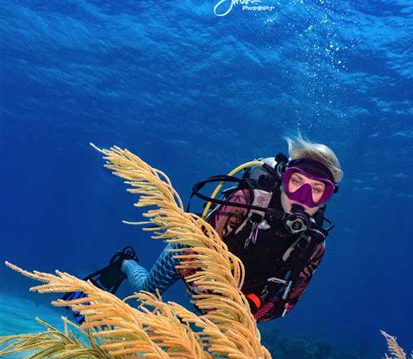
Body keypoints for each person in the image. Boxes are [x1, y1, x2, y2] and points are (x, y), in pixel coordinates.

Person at [64, 134, 343, 324]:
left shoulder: (313, 244)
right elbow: (196, 251)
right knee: (147, 292)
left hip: (231, 293)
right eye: (297, 183)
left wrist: (252, 310)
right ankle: (125, 263)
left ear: (327, 199)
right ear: (284, 179)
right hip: (187, 253)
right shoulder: (247, 201)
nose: (302, 198)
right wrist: (207, 298)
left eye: (317, 190)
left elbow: (288, 302)